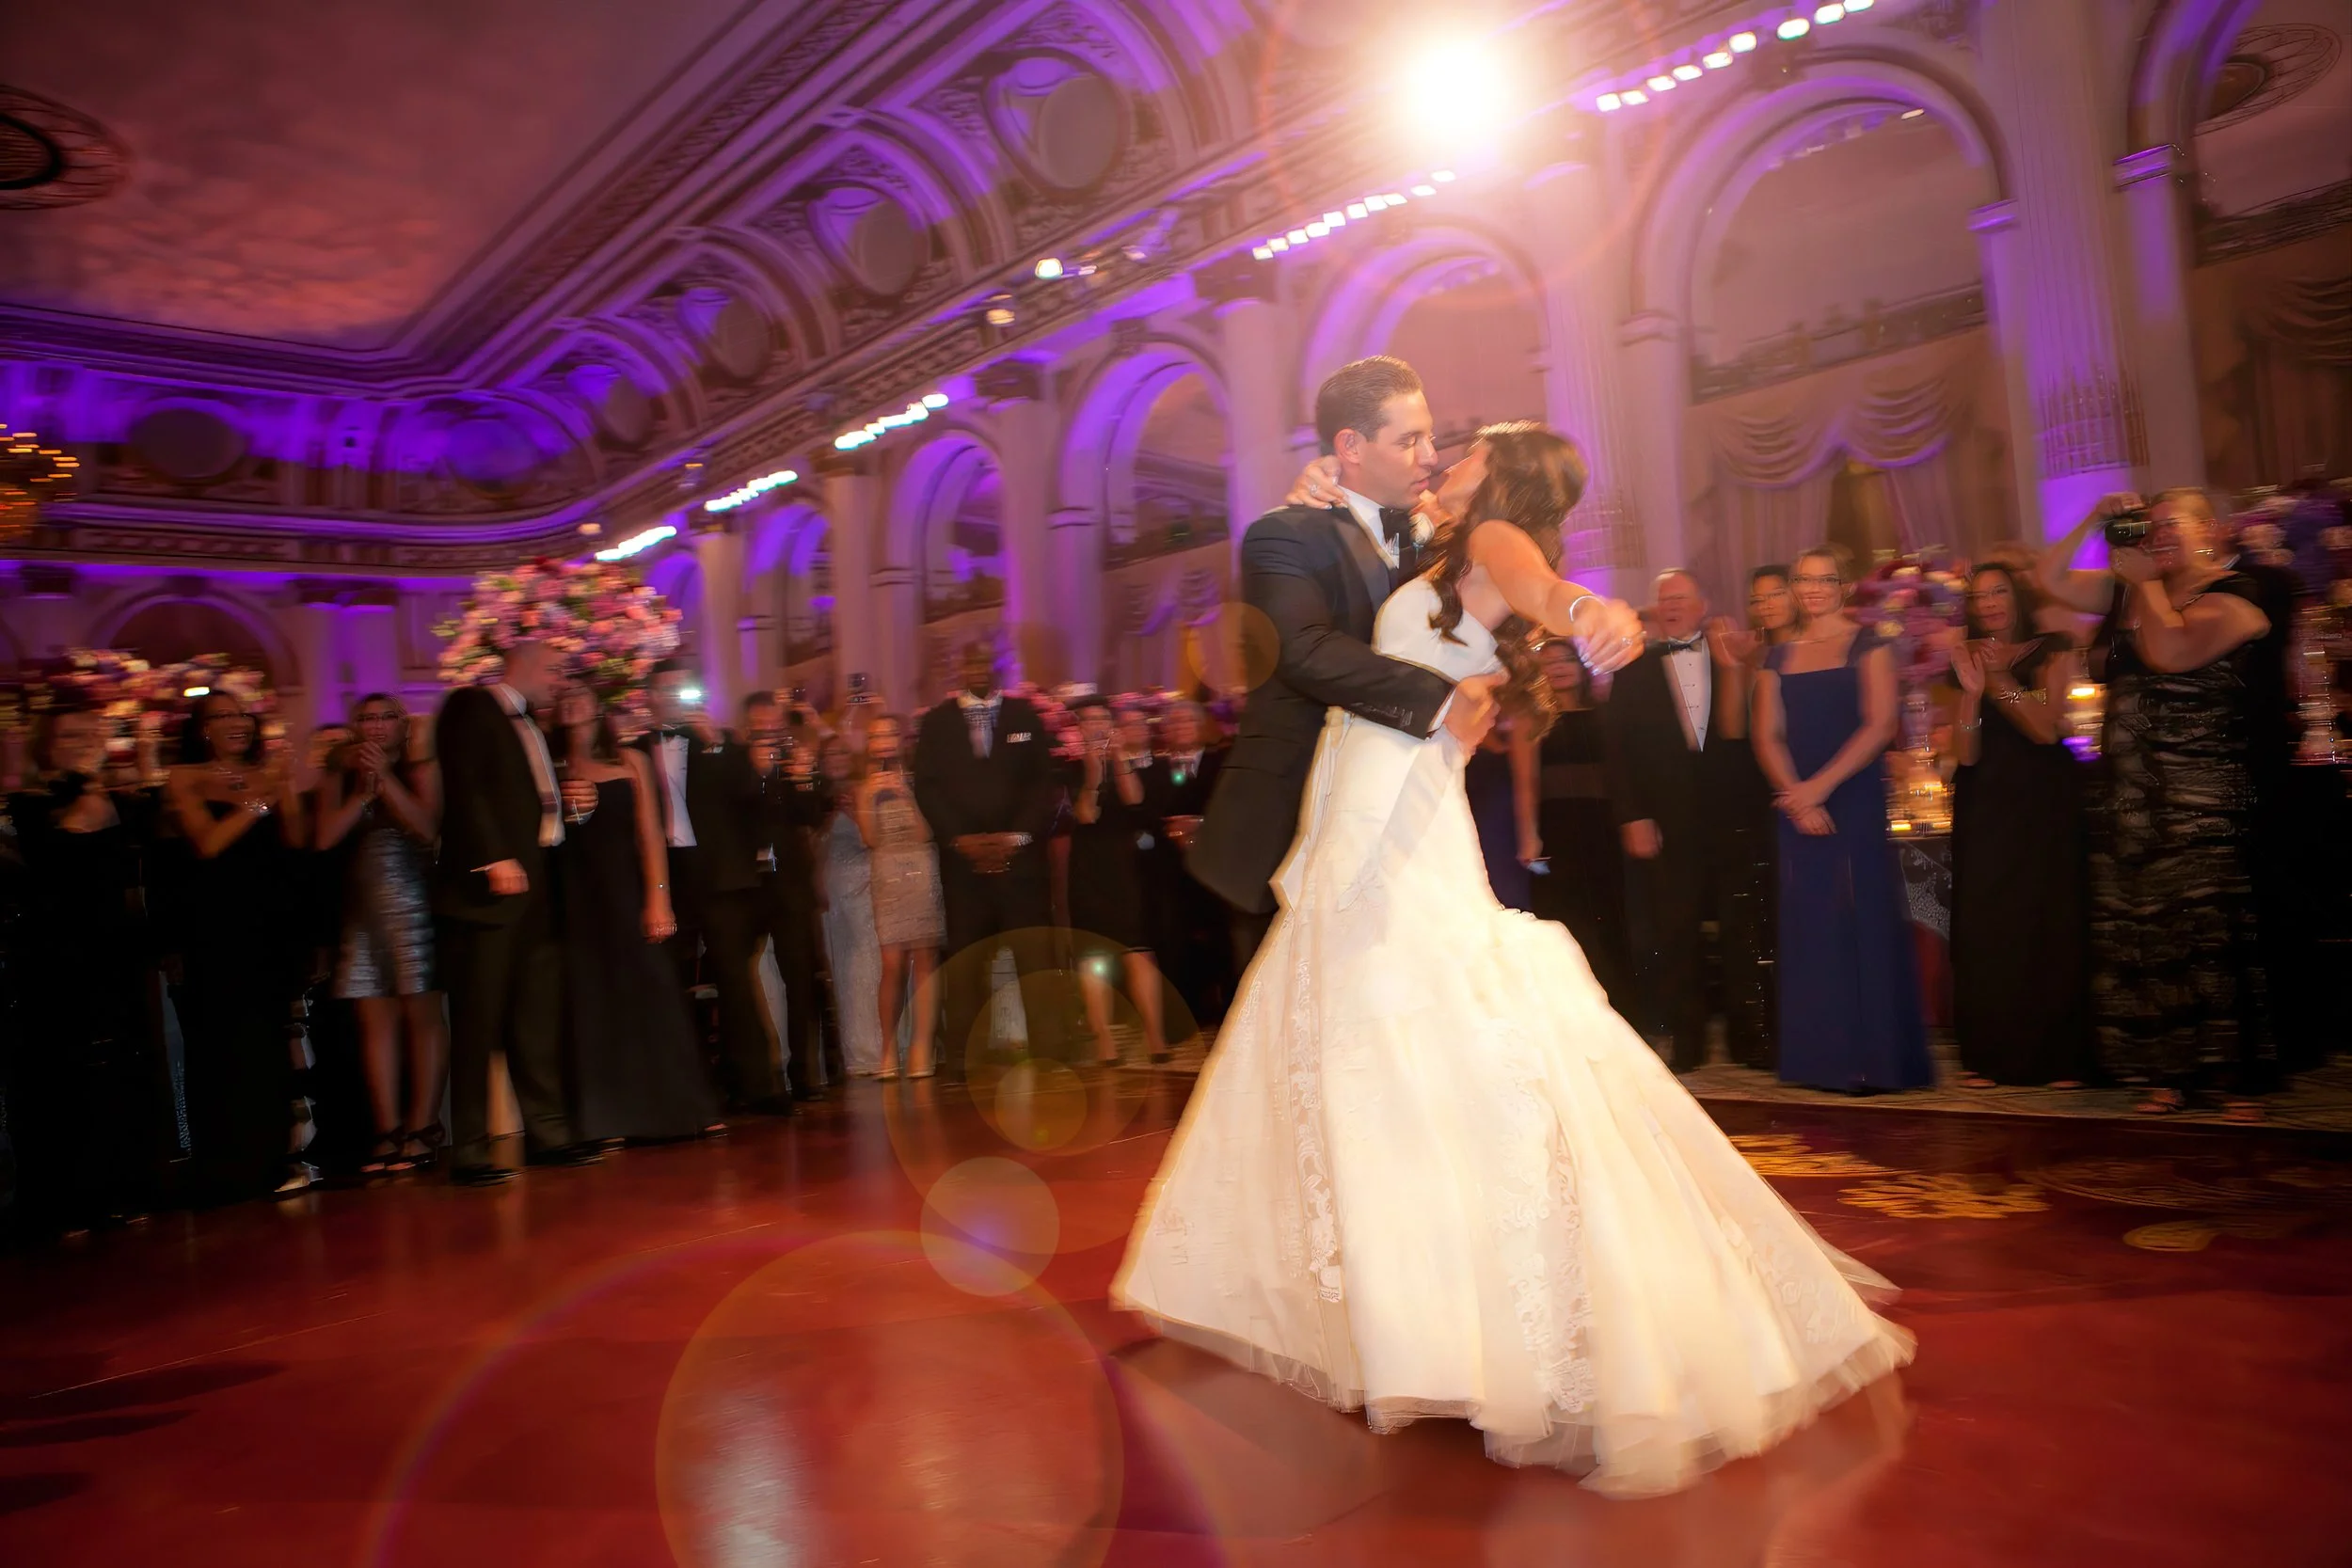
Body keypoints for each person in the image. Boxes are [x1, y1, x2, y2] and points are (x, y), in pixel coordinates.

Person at [1114, 422, 1909, 1500]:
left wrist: (1589, 612)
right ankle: (1396, 1302)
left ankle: (1451, 1314)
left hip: (1393, 810)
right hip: (1366, 795)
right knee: (1360, 1037)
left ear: (1506, 475)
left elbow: (1539, 584)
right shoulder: (1431, 549)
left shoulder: (1493, 537)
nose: (1445, 454)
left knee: (1399, 1033)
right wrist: (1319, 490)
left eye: (1467, 447)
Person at [1192, 356, 1509, 975]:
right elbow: (1304, 649)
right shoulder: (1284, 534)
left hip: (1403, 814)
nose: (1430, 456)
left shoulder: (1437, 542)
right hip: (1290, 814)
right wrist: (1445, 698)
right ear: (1350, 446)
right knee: (1289, 1038)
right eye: (1409, 439)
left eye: (1431, 437)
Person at [2038, 490, 2274, 1117]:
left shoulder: (2240, 594)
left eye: (2173, 523)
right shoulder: (2128, 589)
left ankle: (2227, 1077)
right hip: (2127, 792)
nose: (2160, 533)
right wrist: (2092, 520)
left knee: (2204, 933)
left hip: (2199, 793)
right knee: (2141, 932)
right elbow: (2049, 578)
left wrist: (2143, 583)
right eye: (2153, 524)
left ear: (2212, 530)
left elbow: (2170, 651)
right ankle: (2161, 1072)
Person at [1754, 546, 1932, 1093]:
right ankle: (1818, 1060)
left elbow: (1880, 727)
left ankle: (1875, 1059)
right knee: (1811, 921)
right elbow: (1766, 736)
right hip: (1798, 808)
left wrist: (1817, 791)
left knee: (1862, 915)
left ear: (1843, 585)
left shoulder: (1869, 646)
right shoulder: (1776, 657)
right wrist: (1795, 796)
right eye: (1803, 580)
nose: (1813, 589)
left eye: (1824, 579)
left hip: (1850, 799)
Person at [6, 702, 173, 1232]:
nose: (82, 741)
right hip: (57, 954)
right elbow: (54, 859)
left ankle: (129, 1184)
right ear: (45, 746)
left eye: (90, 732)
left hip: (117, 949)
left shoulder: (117, 797)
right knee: (64, 1070)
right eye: (69, 734)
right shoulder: (28, 805)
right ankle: (70, 1195)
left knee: (125, 1062)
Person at [432, 641, 593, 1185]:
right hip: (490, 892)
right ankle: (471, 1150)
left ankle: (548, 1136)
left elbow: (530, 803)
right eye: (553, 669)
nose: (560, 680)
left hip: (540, 885)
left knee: (536, 1018)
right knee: (478, 1023)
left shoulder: (537, 729)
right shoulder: (469, 707)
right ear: (520, 666)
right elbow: (467, 787)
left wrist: (573, 811)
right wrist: (493, 855)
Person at [1944, 563, 2095, 1088]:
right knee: (1989, 924)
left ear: (2017, 596)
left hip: (2043, 801)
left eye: (1998, 591)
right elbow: (1964, 753)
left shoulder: (2052, 646)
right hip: (1985, 801)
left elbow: (2046, 729)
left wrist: (1998, 680)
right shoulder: (1962, 655)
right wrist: (1968, 691)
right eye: (1979, 595)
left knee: (2048, 921)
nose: (1988, 603)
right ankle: (1992, 1054)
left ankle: (2060, 1058)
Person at [548, 681, 718, 1143]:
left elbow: (651, 836)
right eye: (565, 694)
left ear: (598, 703)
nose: (573, 700)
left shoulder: (629, 759)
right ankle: (605, 1120)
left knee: (652, 987)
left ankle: (683, 1109)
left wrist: (659, 897)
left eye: (581, 692)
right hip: (574, 894)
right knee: (591, 1001)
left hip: (627, 890)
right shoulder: (549, 764)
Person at [164, 689, 313, 1200]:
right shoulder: (185, 777)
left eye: (242, 714)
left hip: (267, 923)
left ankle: (275, 1159)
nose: (237, 722)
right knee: (224, 1044)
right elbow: (207, 843)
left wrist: (282, 790)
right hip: (215, 927)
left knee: (270, 1041)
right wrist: (259, 797)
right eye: (223, 715)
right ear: (203, 727)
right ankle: (227, 1167)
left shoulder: (270, 776)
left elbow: (294, 843)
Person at [636, 661, 787, 1113]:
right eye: (663, 690)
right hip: (667, 880)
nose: (671, 697)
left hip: (721, 880)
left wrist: (719, 745)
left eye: (678, 688)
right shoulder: (635, 749)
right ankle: (687, 1092)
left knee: (735, 983)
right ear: (649, 698)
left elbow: (752, 796)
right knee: (667, 986)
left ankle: (757, 1088)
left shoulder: (716, 742)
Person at [911, 645, 1061, 1077]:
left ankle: (1049, 1048)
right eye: (969, 663)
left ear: (997, 669)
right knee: (966, 960)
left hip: (1023, 864)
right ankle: (964, 1055)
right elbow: (929, 787)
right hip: (964, 868)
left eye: (984, 663)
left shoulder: (1024, 716)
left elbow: (1042, 783)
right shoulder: (938, 722)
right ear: (960, 669)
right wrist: (964, 841)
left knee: (1034, 954)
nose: (976, 670)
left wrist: (1016, 837)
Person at [314, 693, 445, 1175]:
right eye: (365, 718)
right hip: (362, 913)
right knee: (376, 1022)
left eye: (385, 717)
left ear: (403, 725)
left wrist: (386, 779)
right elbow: (325, 838)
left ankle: (423, 1126)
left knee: (422, 1017)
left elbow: (428, 830)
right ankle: (387, 1130)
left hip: (415, 906)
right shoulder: (338, 772)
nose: (375, 726)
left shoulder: (421, 769)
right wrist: (362, 794)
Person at [1602, 568, 1726, 1072]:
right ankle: (1686, 1040)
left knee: (1747, 922)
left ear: (1703, 604)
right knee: (1674, 928)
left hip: (1731, 811)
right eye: (1664, 600)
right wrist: (1632, 815)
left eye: (1681, 598)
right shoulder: (1632, 668)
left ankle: (1756, 1038)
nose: (1672, 606)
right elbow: (1617, 751)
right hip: (1665, 817)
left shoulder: (1732, 655)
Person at [1698, 565, 1798, 1069]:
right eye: (1756, 599)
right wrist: (1731, 665)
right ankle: (1762, 1035)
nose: (1765, 605)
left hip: (1812, 776)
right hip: (1755, 792)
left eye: (1776, 594)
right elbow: (1734, 727)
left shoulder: (1818, 646)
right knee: (1759, 915)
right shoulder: (1749, 652)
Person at [1065, 695, 1170, 1066]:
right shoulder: (1068, 768)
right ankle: (1104, 1039)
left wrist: (1118, 758)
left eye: (1100, 719)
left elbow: (1135, 800)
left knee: (1139, 949)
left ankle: (1155, 1037)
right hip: (1089, 866)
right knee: (1094, 953)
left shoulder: (1126, 758)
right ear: (1077, 729)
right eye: (1087, 721)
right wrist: (1093, 775)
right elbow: (1085, 815)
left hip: (1125, 865)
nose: (1094, 726)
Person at [1527, 641, 1630, 1010]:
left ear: (1582, 664)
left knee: (1609, 914)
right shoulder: (1535, 718)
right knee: (1565, 918)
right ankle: (1573, 1008)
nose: (1557, 667)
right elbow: (1527, 784)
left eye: (1565, 659)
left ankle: (1618, 1005)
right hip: (1555, 828)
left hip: (1602, 826)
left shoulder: (1605, 712)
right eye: (1548, 661)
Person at [743, 691, 834, 1101]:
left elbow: (813, 814)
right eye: (759, 727)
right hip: (745, 885)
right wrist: (756, 774)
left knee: (800, 980)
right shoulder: (731, 762)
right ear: (748, 726)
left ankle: (804, 1073)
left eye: (774, 726)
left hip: (791, 884)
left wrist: (806, 776)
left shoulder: (793, 761)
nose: (768, 733)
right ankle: (756, 1077)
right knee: (740, 982)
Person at [858, 714, 945, 1078]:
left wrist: (907, 795)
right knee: (892, 964)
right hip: (888, 874)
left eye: (890, 734)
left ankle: (923, 1048)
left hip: (923, 868)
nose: (884, 741)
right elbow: (871, 840)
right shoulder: (863, 785)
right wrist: (868, 795)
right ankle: (888, 1050)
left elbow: (927, 833)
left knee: (925, 960)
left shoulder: (921, 776)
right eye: (877, 735)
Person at [1145, 699, 1229, 1036]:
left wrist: (1202, 824)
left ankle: (1225, 1007)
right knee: (1175, 937)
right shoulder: (1154, 768)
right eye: (1173, 723)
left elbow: (1230, 804)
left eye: (1186, 722)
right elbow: (1148, 811)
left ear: (1200, 727)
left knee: (1219, 937)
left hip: (1215, 864)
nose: (1180, 728)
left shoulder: (1220, 762)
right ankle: (1185, 1012)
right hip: (1169, 867)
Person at [816, 734, 888, 1077]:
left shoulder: (866, 787)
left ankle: (879, 1051)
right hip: (831, 890)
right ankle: (857, 1054)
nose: (837, 757)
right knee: (842, 969)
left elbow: (877, 839)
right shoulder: (811, 796)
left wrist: (853, 810)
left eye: (842, 750)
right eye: (829, 753)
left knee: (868, 967)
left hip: (866, 883)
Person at [1463, 712, 1538, 911]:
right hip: (1460, 815)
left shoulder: (1517, 707)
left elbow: (1525, 780)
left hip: (1497, 824)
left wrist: (1528, 835)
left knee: (1502, 898)